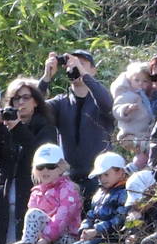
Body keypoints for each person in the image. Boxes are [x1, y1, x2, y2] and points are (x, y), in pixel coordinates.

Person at [0, 77, 59, 244]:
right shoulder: (5, 127)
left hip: (33, 196)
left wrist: (17, 127)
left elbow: (39, 156)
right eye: (16, 98)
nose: (20, 102)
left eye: (25, 97)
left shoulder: (46, 128)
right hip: (4, 196)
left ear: (36, 102)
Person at [38, 49, 115, 192]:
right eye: (72, 64)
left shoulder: (100, 99)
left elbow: (108, 105)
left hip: (101, 179)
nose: (75, 67)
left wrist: (84, 75)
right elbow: (35, 106)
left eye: (81, 63)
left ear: (94, 70)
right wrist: (46, 77)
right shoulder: (61, 103)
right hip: (68, 181)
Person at [109, 61, 156, 159]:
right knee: (144, 151)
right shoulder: (127, 95)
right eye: (137, 80)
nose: (140, 84)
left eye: (145, 81)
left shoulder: (145, 96)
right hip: (132, 132)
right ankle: (134, 167)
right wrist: (125, 109)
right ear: (130, 80)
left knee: (144, 154)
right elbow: (116, 108)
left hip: (144, 133)